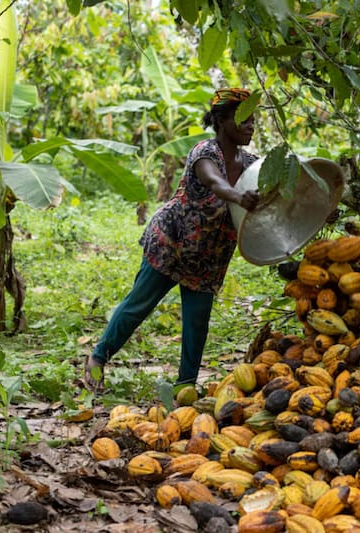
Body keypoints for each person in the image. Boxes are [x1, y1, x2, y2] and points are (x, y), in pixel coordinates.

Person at [84, 87, 261, 392]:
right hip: (172, 242)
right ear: (221, 121)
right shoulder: (204, 152)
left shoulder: (251, 164)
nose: (251, 125)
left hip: (209, 256)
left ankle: (186, 386)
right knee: (138, 305)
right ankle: (98, 358)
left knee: (196, 322)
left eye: (253, 119)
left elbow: (281, 195)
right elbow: (214, 181)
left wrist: (317, 209)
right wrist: (237, 196)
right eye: (242, 119)